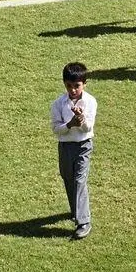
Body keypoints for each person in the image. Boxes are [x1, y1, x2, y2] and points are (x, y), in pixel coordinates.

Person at [51, 62, 96, 240]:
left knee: (79, 180)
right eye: (69, 86)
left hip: (83, 145)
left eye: (76, 86)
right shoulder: (58, 104)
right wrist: (70, 124)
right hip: (65, 146)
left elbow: (87, 128)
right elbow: (56, 129)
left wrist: (81, 119)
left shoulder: (90, 102)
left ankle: (84, 221)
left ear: (84, 84)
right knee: (68, 178)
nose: (73, 90)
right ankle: (75, 210)